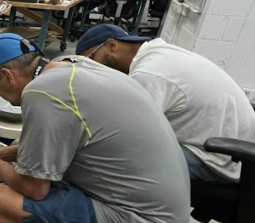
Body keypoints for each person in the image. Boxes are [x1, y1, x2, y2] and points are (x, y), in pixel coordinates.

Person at [0, 33, 190, 223]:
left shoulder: (41, 92)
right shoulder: (73, 66)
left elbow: (35, 189)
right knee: (22, 149)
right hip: (163, 207)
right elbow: (57, 144)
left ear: (8, 76)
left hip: (139, 217)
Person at [77, 24, 255, 186]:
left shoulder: (148, 74)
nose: (91, 69)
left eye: (90, 60)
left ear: (112, 45)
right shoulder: (158, 52)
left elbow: (126, 134)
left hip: (216, 160)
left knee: (105, 163)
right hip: (228, 148)